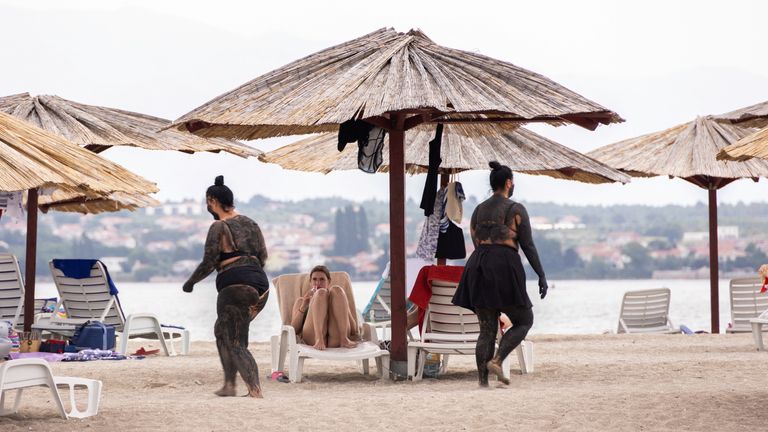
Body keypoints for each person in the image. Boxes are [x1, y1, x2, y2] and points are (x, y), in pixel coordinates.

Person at [452, 161, 548, 387]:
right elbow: (528, 245)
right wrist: (541, 275)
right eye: (512, 182)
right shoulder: (516, 209)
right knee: (524, 320)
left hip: (478, 265)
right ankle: (497, 359)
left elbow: (476, 242)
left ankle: (483, 382)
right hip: (504, 264)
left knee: (486, 329)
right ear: (508, 183)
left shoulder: (478, 210)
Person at [182, 175, 269, 398]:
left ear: (212, 200)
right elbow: (263, 256)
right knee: (222, 330)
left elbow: (209, 261)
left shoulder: (218, 226)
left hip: (236, 287)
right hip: (260, 285)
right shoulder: (251, 223)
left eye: (207, 202)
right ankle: (229, 385)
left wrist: (190, 283)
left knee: (236, 341)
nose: (206, 206)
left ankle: (255, 390)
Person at [290, 265, 358, 350]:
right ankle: (319, 339)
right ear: (310, 282)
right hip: (312, 338)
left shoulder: (339, 299)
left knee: (337, 289)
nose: (318, 283)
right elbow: (293, 330)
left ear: (328, 281)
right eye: (314, 279)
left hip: (336, 338)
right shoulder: (301, 301)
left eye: (322, 279)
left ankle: (344, 339)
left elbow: (353, 329)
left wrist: (344, 308)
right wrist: (303, 307)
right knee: (321, 293)